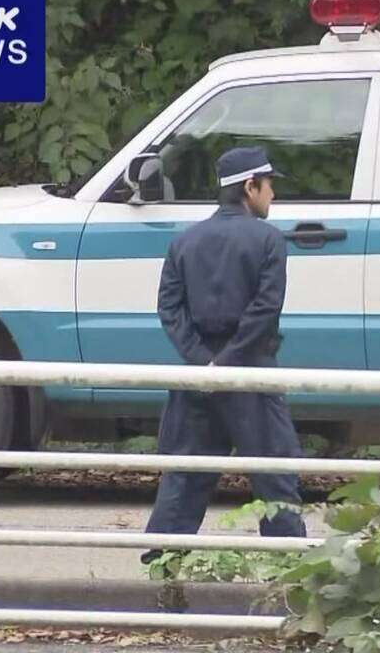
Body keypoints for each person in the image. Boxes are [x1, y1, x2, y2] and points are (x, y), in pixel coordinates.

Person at [142, 146, 306, 563]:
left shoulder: (185, 241)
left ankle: (164, 566)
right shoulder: (268, 240)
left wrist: (202, 361)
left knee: (185, 476)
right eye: (269, 186)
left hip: (198, 375)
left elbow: (169, 308)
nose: (273, 195)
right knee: (275, 476)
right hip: (251, 370)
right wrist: (230, 361)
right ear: (250, 187)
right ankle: (289, 571)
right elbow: (266, 309)